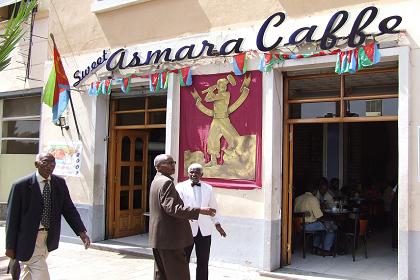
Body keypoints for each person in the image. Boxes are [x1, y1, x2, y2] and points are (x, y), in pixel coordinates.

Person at [5, 152, 91, 280]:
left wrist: (81, 232)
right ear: (36, 164)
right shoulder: (21, 186)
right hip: (28, 239)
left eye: (53, 163)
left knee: (31, 271)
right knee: (41, 273)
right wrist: (10, 250)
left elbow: (69, 209)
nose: (49, 166)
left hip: (48, 238)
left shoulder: (59, 183)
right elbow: (12, 220)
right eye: (45, 162)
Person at [149, 154, 216, 280]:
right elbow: (172, 208)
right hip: (170, 239)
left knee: (162, 274)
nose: (173, 165)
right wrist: (200, 211)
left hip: (159, 238)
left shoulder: (156, 180)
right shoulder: (166, 182)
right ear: (158, 166)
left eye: (173, 162)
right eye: (169, 163)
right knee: (178, 274)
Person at [176, 163, 226, 280]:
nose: (194, 174)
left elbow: (214, 208)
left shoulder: (208, 188)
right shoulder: (180, 187)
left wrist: (217, 224)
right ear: (188, 173)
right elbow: (179, 209)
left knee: (203, 262)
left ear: (201, 174)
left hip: (204, 230)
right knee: (184, 261)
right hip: (186, 230)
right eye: (192, 172)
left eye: (197, 172)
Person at [191, 74, 251, 166]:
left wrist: (211, 91)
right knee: (212, 139)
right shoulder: (218, 94)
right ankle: (213, 160)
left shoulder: (226, 94)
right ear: (218, 86)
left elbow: (211, 98)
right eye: (222, 86)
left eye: (225, 85)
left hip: (224, 119)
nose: (224, 87)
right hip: (216, 119)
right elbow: (207, 99)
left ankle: (242, 157)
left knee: (233, 137)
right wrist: (210, 91)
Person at [294, 183, 335, 255]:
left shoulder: (297, 198)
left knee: (320, 227)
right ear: (315, 191)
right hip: (308, 226)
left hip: (297, 225)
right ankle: (325, 250)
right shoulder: (313, 199)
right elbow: (319, 216)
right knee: (331, 227)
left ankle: (315, 248)